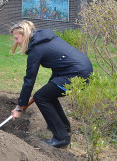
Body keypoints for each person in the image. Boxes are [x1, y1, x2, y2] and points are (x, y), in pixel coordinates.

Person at [10, 20, 93, 148]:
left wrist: (20, 106)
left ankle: (61, 138)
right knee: (47, 94)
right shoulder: (45, 39)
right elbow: (58, 65)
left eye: (16, 38)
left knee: (40, 97)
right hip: (81, 69)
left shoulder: (36, 50)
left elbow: (29, 80)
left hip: (77, 73)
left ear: (25, 35)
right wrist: (51, 84)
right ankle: (65, 128)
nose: (16, 42)